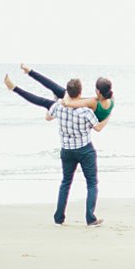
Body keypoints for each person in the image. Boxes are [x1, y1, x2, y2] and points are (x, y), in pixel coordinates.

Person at [16, 75, 109, 227]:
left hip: (66, 150)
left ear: (68, 92)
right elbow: (98, 127)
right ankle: (90, 219)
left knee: (66, 183)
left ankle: (59, 219)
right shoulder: (85, 111)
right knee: (91, 183)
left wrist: (57, 100)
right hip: (85, 150)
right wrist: (108, 117)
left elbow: (48, 117)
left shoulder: (59, 106)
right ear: (80, 93)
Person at [5, 64, 114, 123]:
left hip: (78, 113)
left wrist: (64, 95)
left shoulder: (94, 101)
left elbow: (67, 103)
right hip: (81, 108)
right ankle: (29, 72)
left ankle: (15, 87)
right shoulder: (111, 100)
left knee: (46, 100)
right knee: (58, 89)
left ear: (99, 92)